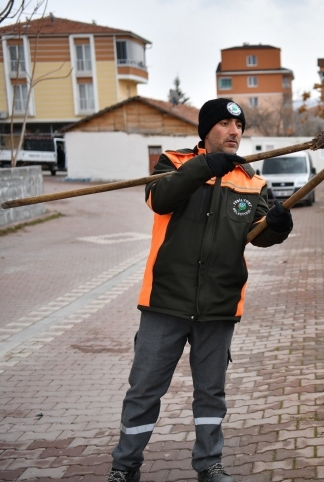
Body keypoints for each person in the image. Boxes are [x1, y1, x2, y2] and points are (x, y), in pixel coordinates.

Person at [108, 98, 293, 482]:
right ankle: (125, 467)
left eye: (238, 125)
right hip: (166, 302)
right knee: (144, 389)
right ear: (206, 131)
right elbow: (160, 200)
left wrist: (277, 226)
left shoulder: (252, 181)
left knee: (211, 394)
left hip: (220, 305)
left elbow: (259, 236)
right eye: (224, 124)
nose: (234, 132)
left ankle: (209, 464)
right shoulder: (172, 163)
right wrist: (203, 167)